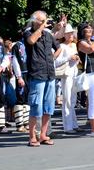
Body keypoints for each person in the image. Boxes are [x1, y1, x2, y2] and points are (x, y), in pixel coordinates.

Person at [23, 11, 63, 147]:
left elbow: (58, 48)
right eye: (41, 21)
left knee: (48, 107)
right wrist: (41, 28)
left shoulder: (48, 35)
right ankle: (32, 136)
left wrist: (53, 58)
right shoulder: (28, 32)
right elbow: (31, 41)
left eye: (45, 21)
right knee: (36, 106)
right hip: (37, 74)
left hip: (50, 74)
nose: (44, 23)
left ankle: (43, 135)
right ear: (34, 21)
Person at [53, 24, 79, 134]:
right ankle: (68, 126)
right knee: (67, 99)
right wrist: (69, 58)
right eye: (69, 33)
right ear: (64, 35)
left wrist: (76, 59)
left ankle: (74, 124)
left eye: (72, 33)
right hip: (66, 74)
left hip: (74, 74)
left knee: (73, 100)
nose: (71, 35)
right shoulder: (61, 46)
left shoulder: (73, 45)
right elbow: (56, 61)